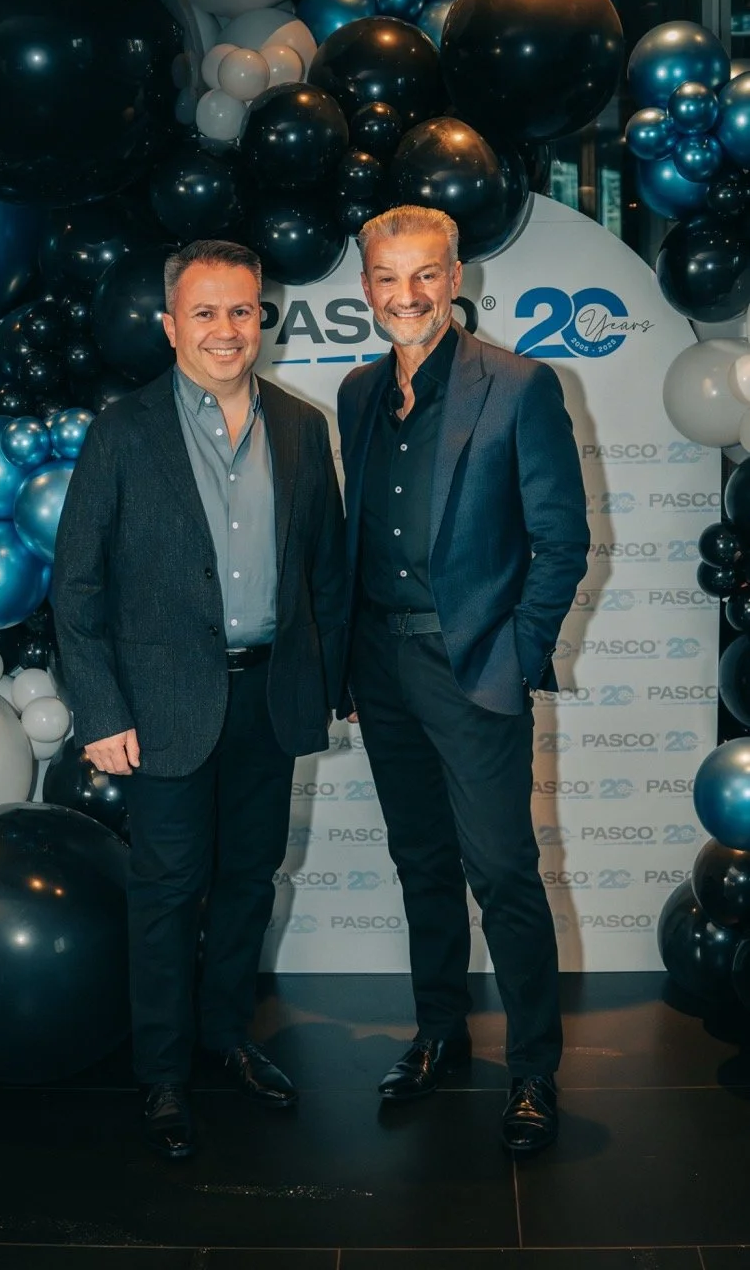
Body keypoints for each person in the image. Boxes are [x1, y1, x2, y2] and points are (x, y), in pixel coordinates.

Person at [54, 239, 345, 1160]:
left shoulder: (301, 426)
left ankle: (226, 1040)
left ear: (263, 318)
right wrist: (99, 714)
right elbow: (77, 586)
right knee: (168, 893)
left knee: (249, 882)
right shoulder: (122, 430)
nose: (227, 330)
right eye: (207, 312)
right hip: (160, 706)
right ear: (172, 324)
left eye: (243, 310)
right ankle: (164, 1074)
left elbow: (327, 575)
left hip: (269, 699)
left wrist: (328, 684)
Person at [336, 205, 589, 1156]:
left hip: (473, 667)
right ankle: (438, 1033)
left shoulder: (520, 386)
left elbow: (561, 540)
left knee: (504, 875)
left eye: (424, 276)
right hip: (382, 666)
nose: (406, 296)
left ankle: (531, 1071)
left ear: (454, 280)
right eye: (387, 279)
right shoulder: (359, 392)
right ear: (366, 289)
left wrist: (516, 654)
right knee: (422, 865)